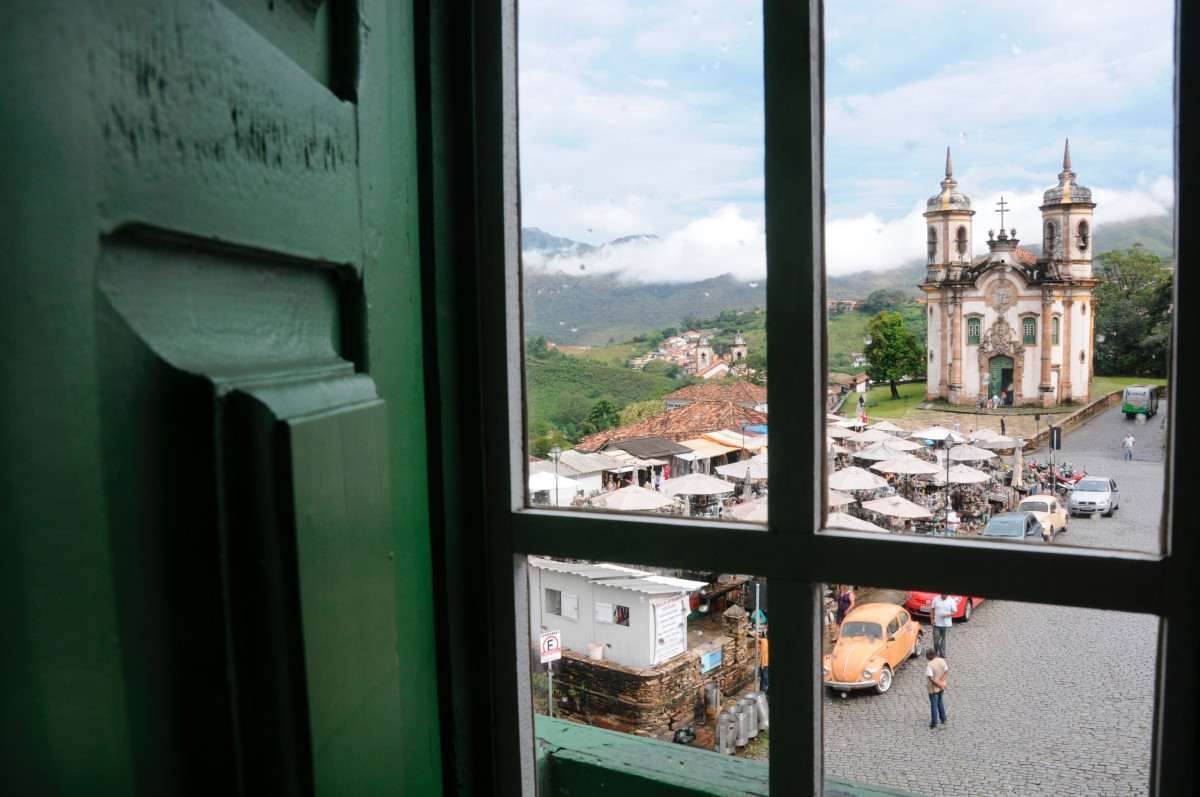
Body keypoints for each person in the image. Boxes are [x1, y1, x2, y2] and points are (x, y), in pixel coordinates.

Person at [930, 592, 959, 657]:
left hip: (946, 624)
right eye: (943, 595)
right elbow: (932, 609)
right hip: (936, 623)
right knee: (936, 639)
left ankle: (942, 653)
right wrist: (932, 619)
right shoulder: (936, 599)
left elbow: (954, 612)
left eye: (945, 595)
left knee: (943, 639)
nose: (944, 596)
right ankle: (936, 650)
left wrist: (947, 615)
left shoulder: (951, 601)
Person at [925, 649, 949, 728]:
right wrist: (942, 682)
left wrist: (938, 684)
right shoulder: (942, 661)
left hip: (933, 688)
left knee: (934, 705)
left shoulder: (930, 665)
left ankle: (934, 722)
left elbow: (931, 678)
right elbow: (946, 672)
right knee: (940, 702)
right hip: (941, 687)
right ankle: (943, 718)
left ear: (929, 656)